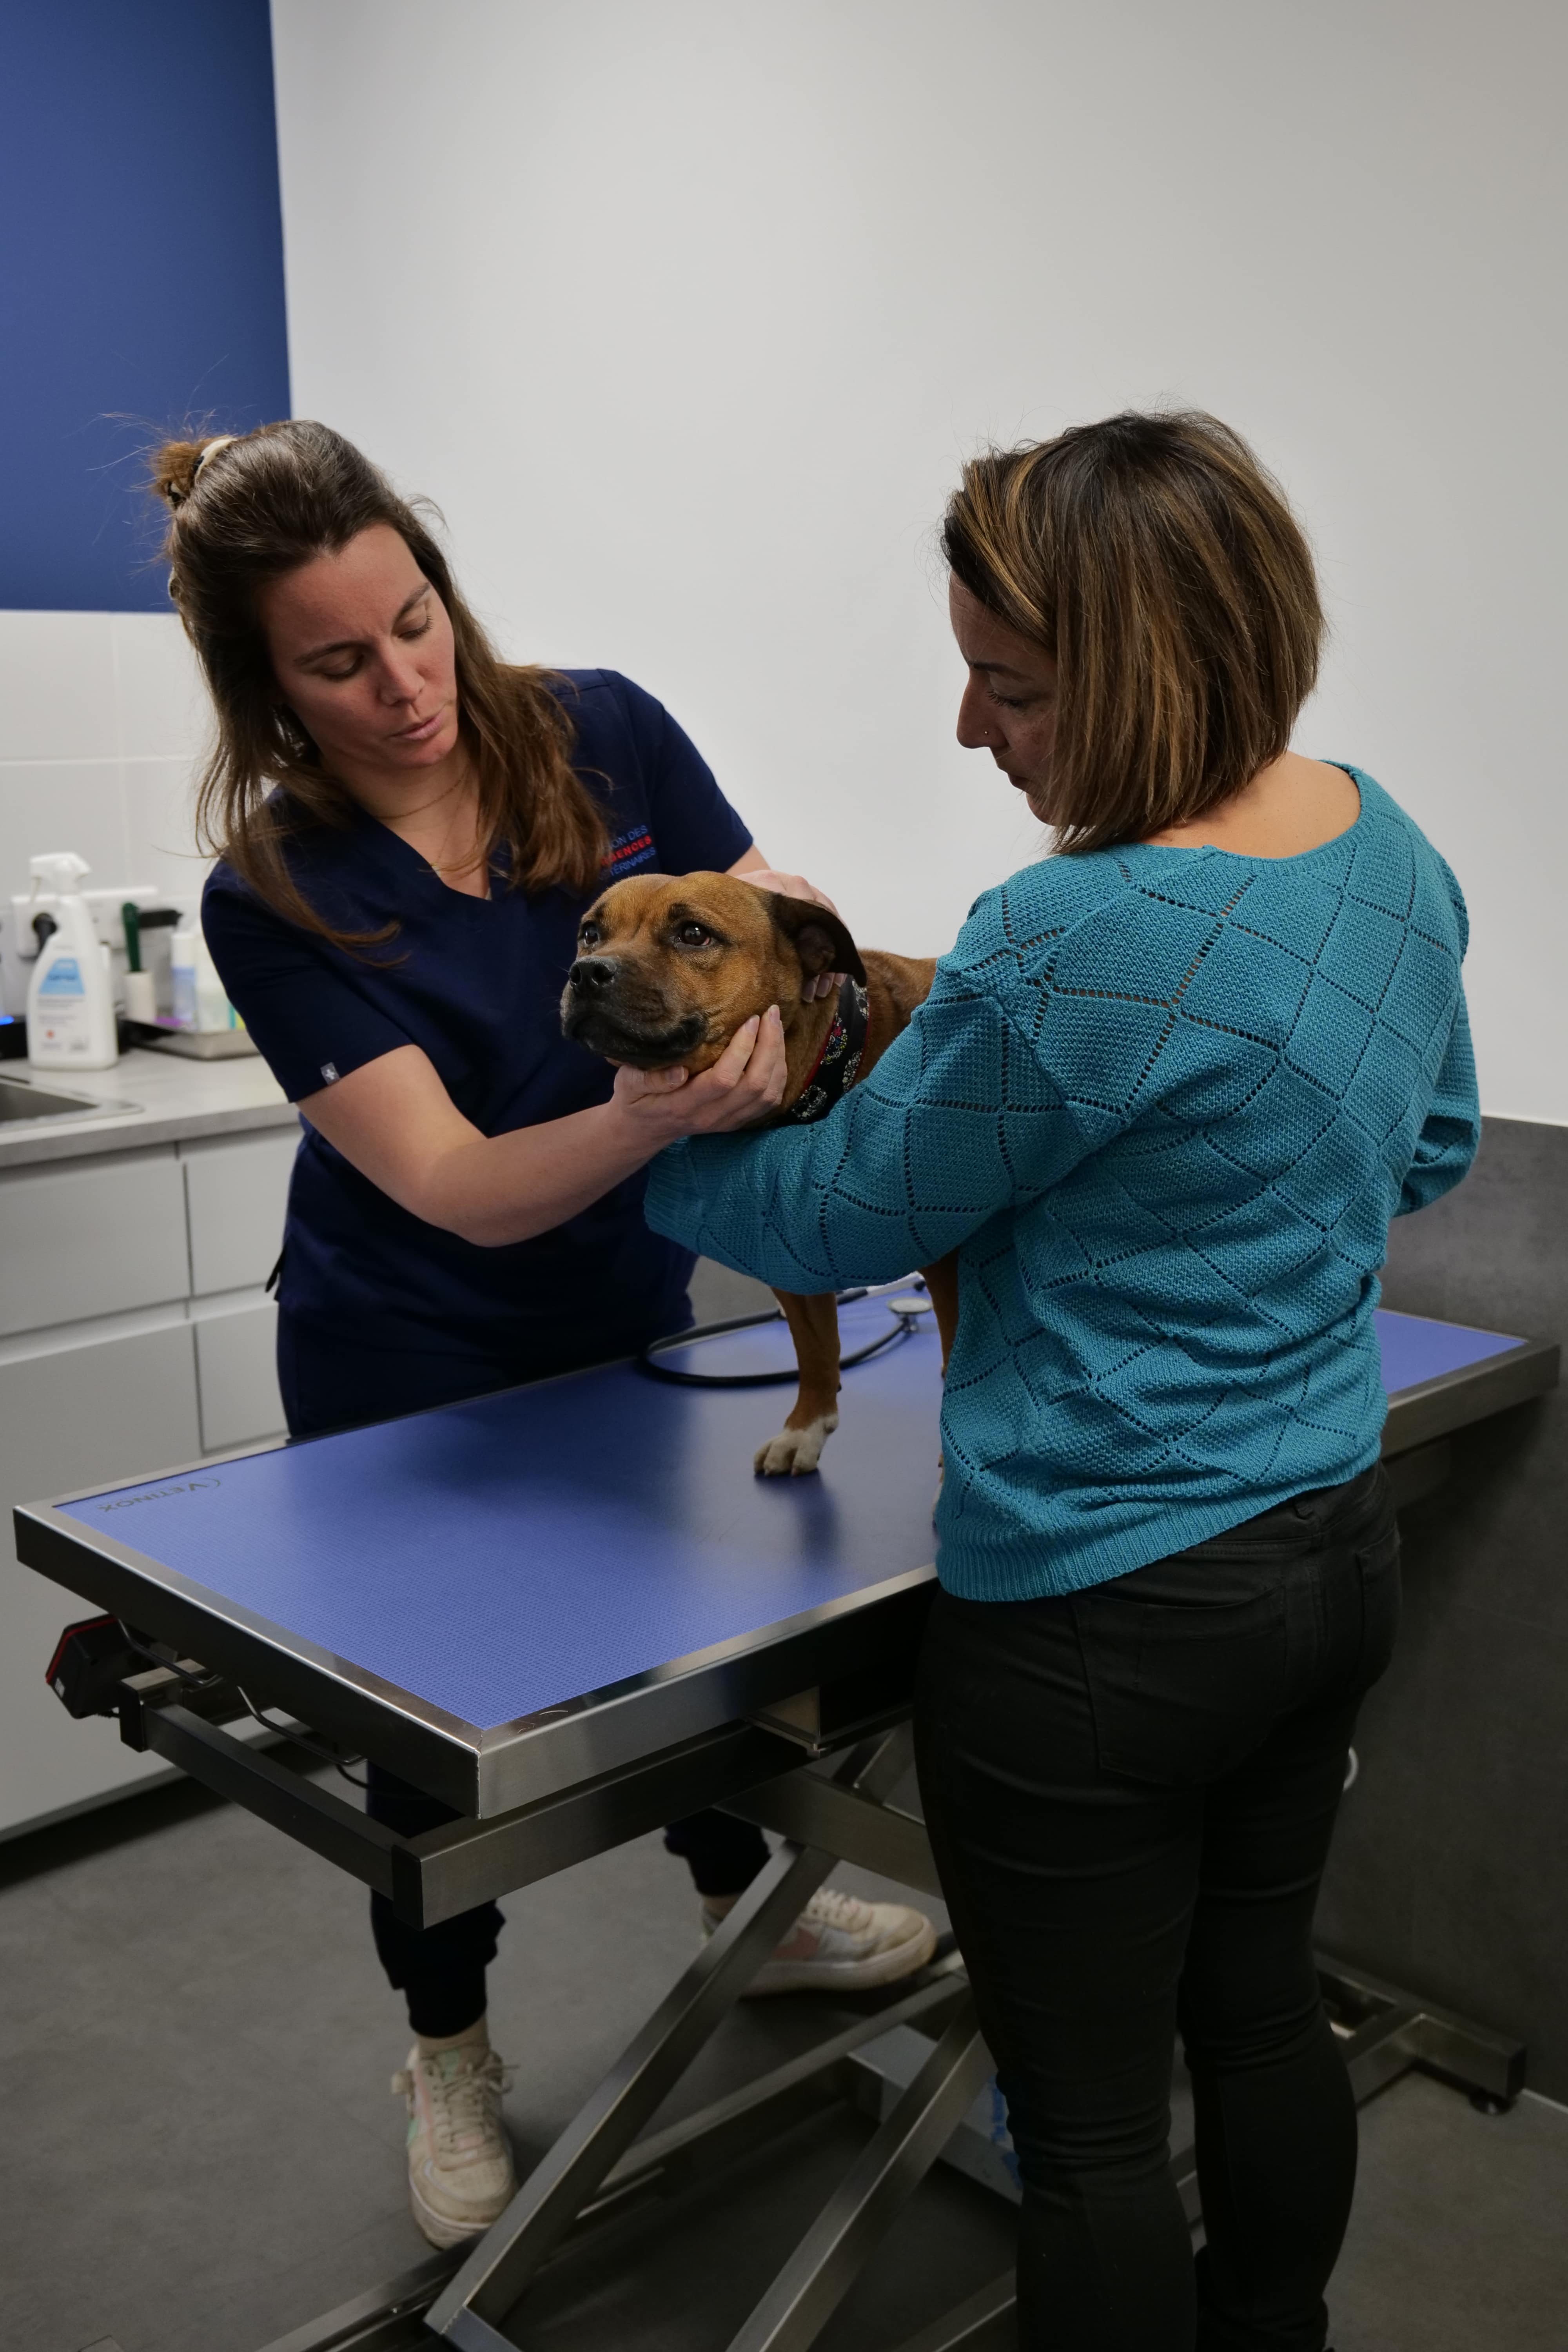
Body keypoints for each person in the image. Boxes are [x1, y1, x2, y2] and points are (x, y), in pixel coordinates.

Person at [638, 412, 1480, 2350]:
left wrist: (663, 1140)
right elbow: (1426, 1150)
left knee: (1094, 2134)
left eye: (1007, 686)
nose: (966, 729)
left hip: (1096, 1618)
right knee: (1262, 2010)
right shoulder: (1387, 841)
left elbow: (849, 1210)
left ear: (1144, 669)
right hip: (1323, 1557)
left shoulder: (1067, 939)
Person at [150, 419, 934, 2251]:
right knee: (436, 1762)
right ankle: (449, 2046)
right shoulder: (273, 891)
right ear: (262, 683)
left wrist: (808, 1013)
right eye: (338, 663)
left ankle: (772, 1913)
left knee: (689, 1647)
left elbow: (761, 904)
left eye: (415, 622)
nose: (404, 682)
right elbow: (450, 1183)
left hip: (624, 1314)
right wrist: (667, 1109)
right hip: (403, 1359)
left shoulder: (603, 727)